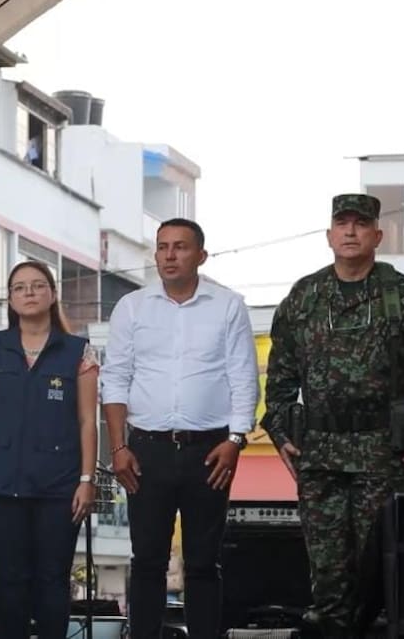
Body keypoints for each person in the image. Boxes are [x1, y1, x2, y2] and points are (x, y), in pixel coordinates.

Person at [262, 194, 404, 639]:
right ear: (329, 235)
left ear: (377, 236)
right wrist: (280, 431)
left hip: (384, 454)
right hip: (321, 455)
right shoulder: (304, 296)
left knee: (383, 575)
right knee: (329, 580)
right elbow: (281, 377)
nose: (350, 231)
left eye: (361, 224)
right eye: (342, 223)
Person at [101, 217, 259, 639]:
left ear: (201, 255)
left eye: (180, 247)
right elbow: (114, 379)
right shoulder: (132, 308)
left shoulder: (227, 305)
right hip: (145, 450)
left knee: (204, 562)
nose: (170, 256)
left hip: (209, 451)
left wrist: (236, 441)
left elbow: (243, 377)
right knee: (147, 560)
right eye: (163, 247)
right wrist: (118, 447)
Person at [0, 260, 98, 639]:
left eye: (38, 286)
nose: (29, 293)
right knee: (10, 583)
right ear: (10, 298)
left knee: (53, 581)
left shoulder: (78, 351)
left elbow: (89, 420)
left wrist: (87, 479)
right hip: (1, 484)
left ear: (53, 294)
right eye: (20, 287)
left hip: (60, 487)